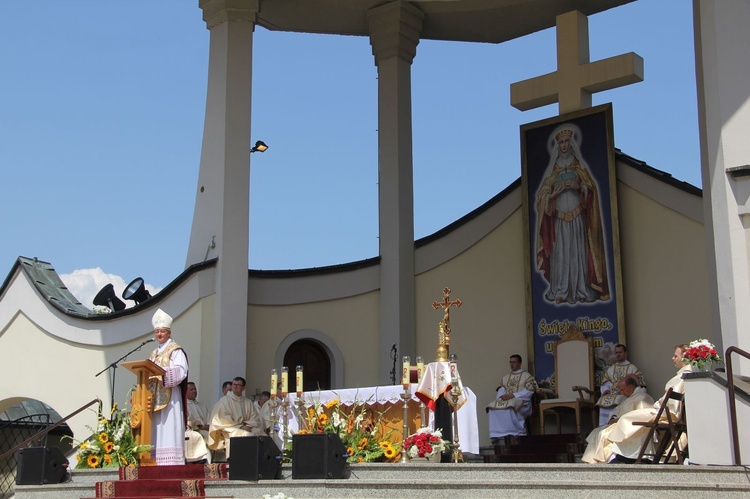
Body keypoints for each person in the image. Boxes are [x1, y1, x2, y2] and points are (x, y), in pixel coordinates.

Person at [535, 123, 610, 304]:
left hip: (577, 219)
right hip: (560, 220)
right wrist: (554, 194)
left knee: (577, 255)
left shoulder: (579, 168)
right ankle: (560, 290)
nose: (564, 146)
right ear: (558, 146)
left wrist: (579, 187)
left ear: (571, 144)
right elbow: (542, 195)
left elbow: (590, 189)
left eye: (567, 142)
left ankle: (580, 289)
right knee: (561, 255)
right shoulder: (553, 171)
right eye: (561, 143)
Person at [585, 344, 692, 463]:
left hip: (664, 413)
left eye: (675, 355)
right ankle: (620, 452)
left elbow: (671, 405)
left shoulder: (681, 377)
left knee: (626, 419)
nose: (673, 358)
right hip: (664, 411)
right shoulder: (685, 375)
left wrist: (657, 406)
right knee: (621, 420)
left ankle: (623, 455)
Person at [147, 308, 189, 466]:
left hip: (170, 396)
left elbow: (181, 371)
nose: (159, 335)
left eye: (162, 331)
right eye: (157, 331)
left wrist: (163, 374)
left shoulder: (175, 350)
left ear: (169, 332)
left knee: (169, 426)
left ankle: (170, 463)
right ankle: (154, 460)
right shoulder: (153, 354)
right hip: (154, 396)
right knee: (156, 428)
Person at [581, 375, 654, 463]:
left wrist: (621, 420)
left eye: (623, 390)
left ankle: (600, 461)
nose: (621, 393)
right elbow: (616, 411)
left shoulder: (643, 397)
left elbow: (643, 415)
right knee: (597, 432)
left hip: (631, 428)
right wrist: (614, 418)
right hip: (620, 425)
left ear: (631, 387)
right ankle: (593, 462)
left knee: (603, 434)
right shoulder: (628, 399)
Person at [208, 376, 265, 458]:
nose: (235, 386)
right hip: (229, 429)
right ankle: (238, 460)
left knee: (261, 434)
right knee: (243, 434)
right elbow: (221, 419)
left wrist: (247, 425)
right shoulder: (224, 401)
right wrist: (241, 426)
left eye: (238, 385)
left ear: (243, 388)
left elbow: (255, 418)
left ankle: (257, 460)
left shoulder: (247, 402)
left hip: (246, 427)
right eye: (234, 384)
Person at [486, 355, 539, 441]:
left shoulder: (527, 376)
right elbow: (501, 389)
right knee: (492, 406)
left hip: (523, 403)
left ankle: (517, 432)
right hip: (507, 400)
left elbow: (530, 391)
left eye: (514, 362)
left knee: (510, 406)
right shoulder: (506, 377)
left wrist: (514, 395)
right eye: (510, 362)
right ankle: (498, 433)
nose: (511, 364)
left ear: (520, 363)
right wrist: (501, 396)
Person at [596, 344, 645, 425]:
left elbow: (639, 383)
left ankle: (618, 424)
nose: (618, 354)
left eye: (620, 352)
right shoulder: (611, 369)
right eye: (616, 353)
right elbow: (606, 382)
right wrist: (606, 390)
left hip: (626, 395)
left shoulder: (633, 368)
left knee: (619, 399)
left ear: (625, 353)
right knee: (603, 400)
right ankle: (604, 426)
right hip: (612, 394)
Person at [185, 382, 211, 463]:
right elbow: (187, 421)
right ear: (186, 392)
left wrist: (208, 426)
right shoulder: (184, 405)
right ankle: (204, 462)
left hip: (206, 430)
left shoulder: (202, 406)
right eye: (191, 389)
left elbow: (209, 419)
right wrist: (198, 426)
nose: (194, 391)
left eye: (195, 389)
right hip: (192, 431)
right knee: (201, 439)